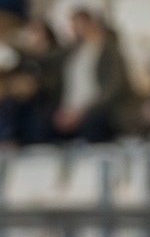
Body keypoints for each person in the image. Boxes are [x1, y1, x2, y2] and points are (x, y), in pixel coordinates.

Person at [53, 8, 139, 143]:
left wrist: (83, 111)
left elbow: (113, 87)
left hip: (98, 108)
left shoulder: (109, 51)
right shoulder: (73, 52)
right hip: (71, 108)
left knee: (93, 123)